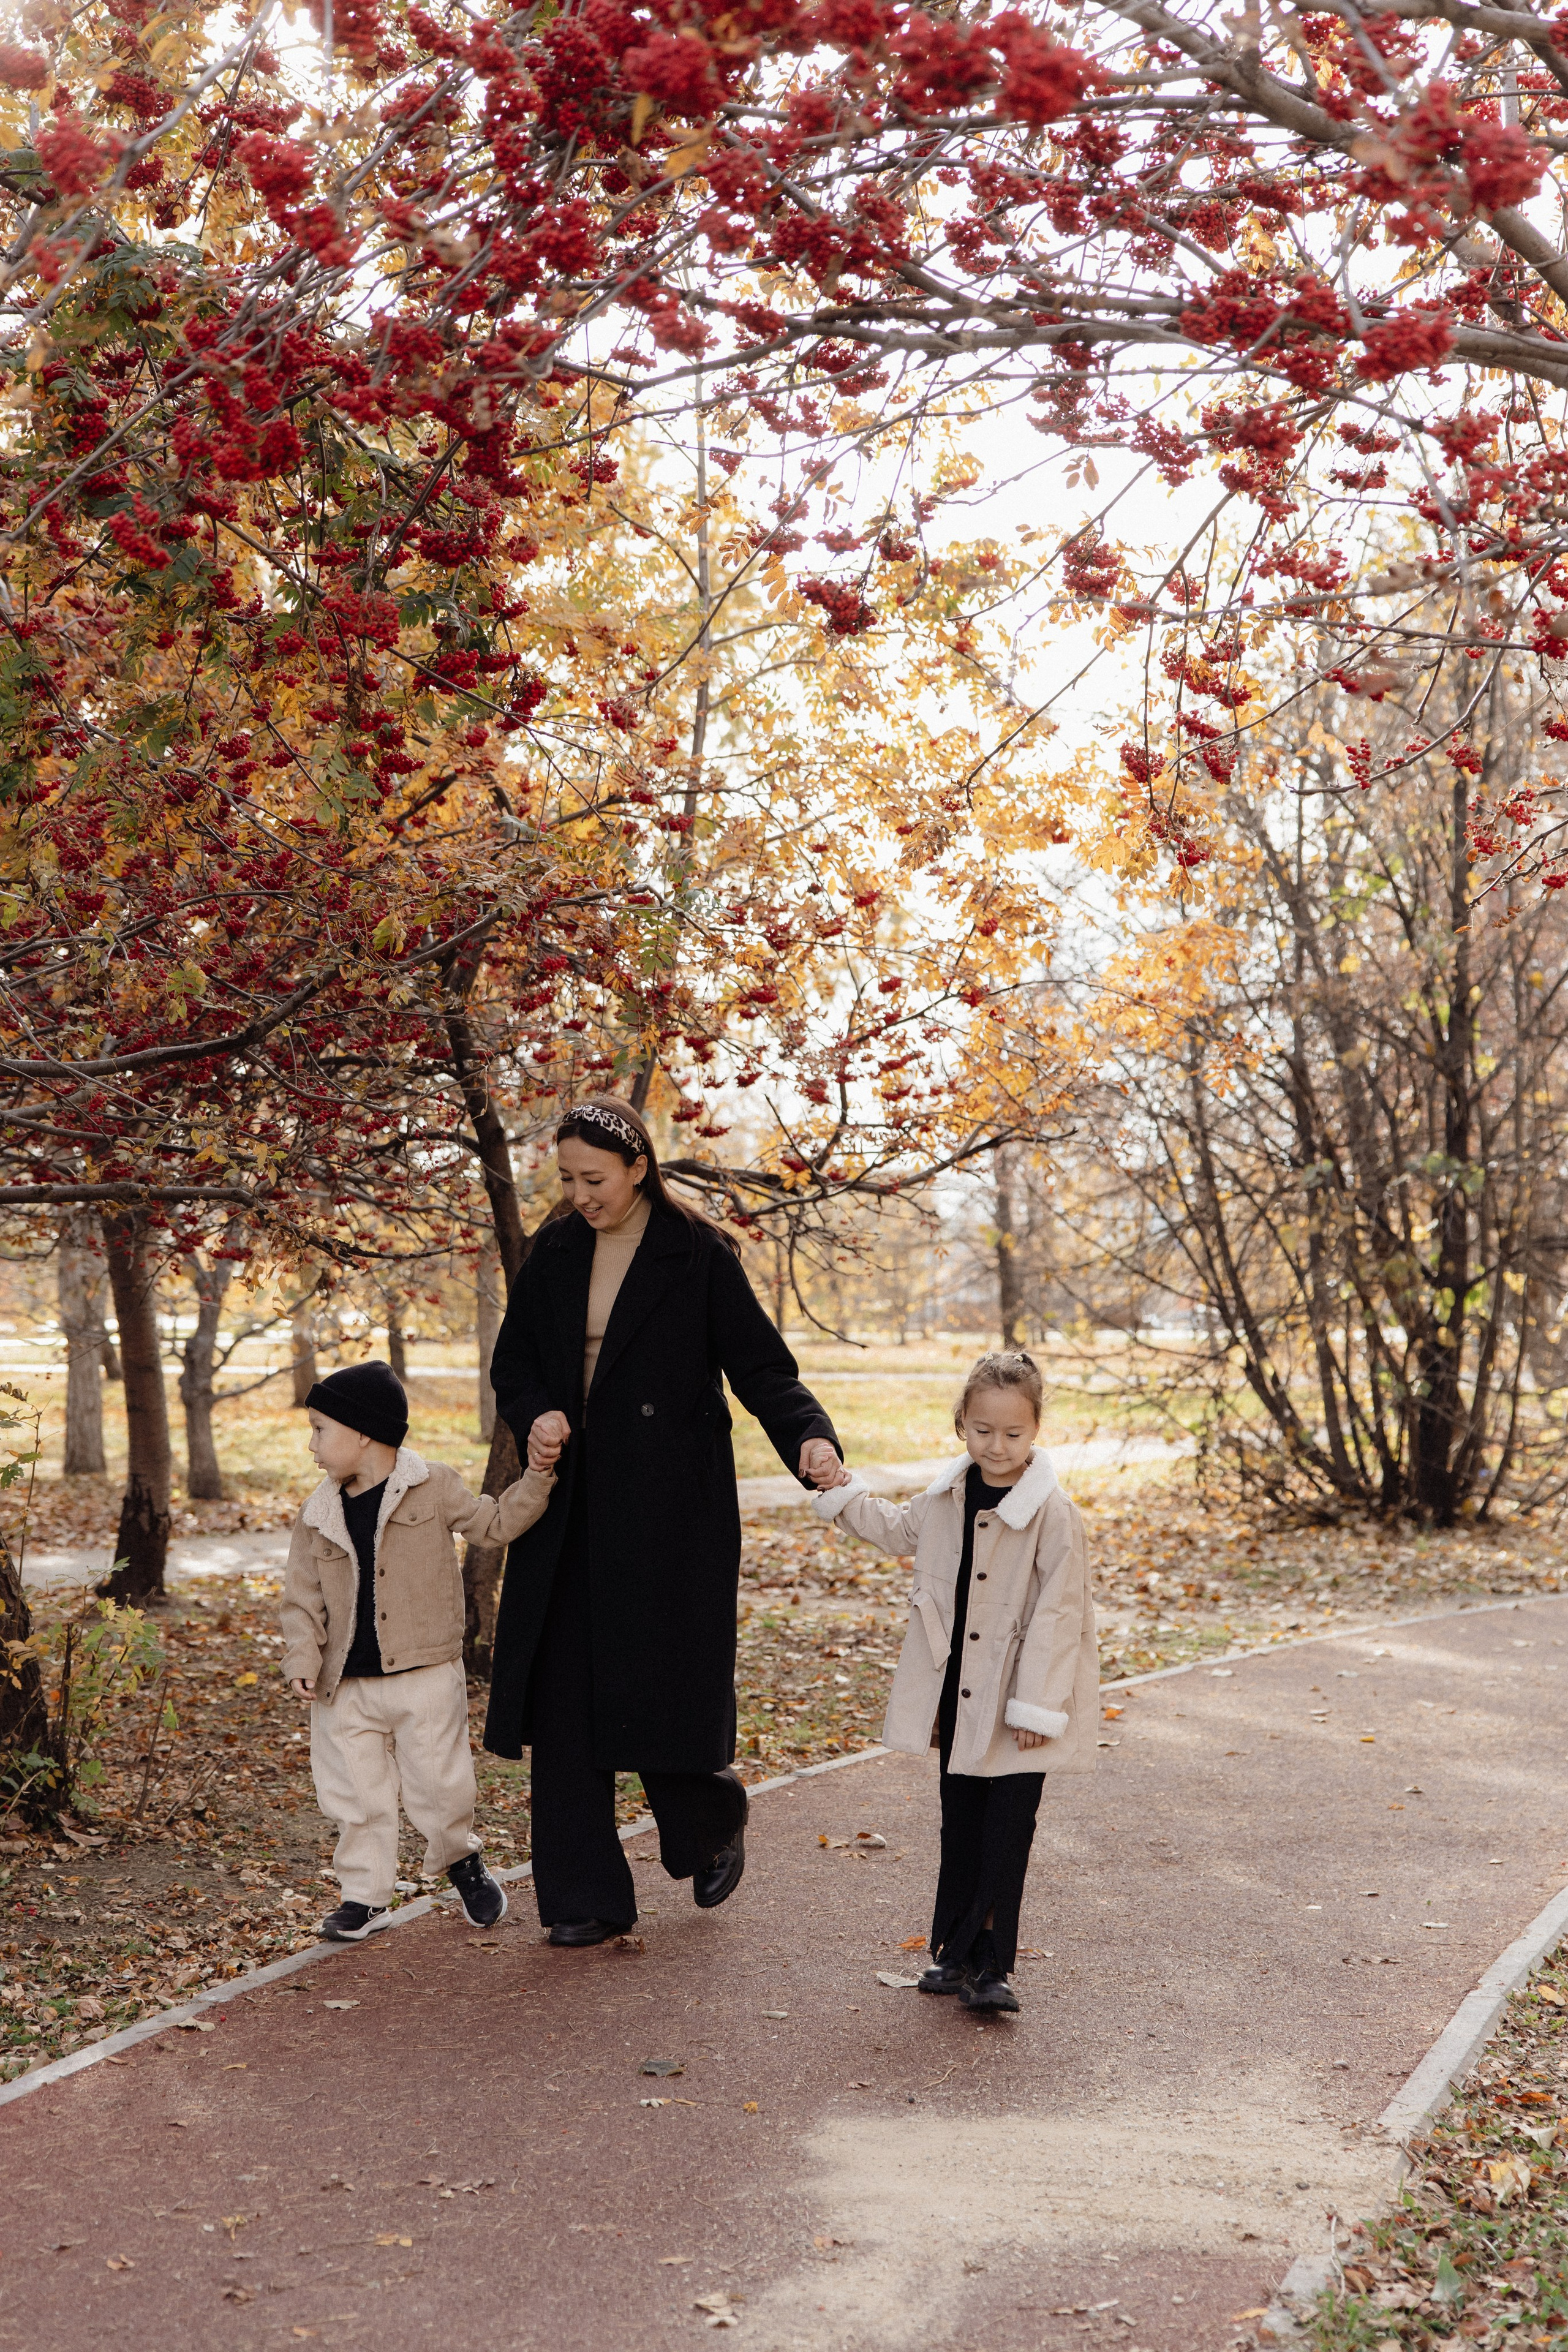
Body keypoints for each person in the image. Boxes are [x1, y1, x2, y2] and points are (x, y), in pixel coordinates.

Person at [484, 1095, 842, 1947]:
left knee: (654, 1683)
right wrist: (535, 1411)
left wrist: (811, 1439)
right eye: (568, 1178)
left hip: (668, 1505)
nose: (581, 1195)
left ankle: (709, 1823)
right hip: (568, 1501)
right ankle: (583, 1898)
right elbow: (517, 1364)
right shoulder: (556, 1250)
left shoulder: (697, 1254)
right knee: (567, 1696)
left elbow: (761, 1367)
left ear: (640, 1167)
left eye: (595, 1178)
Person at [812, 1350, 1096, 2011]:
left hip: (1018, 1702)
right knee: (961, 1823)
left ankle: (993, 1966)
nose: (996, 1446)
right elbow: (892, 1528)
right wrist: (838, 1487)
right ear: (961, 1425)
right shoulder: (947, 1496)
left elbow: (1061, 1618)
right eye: (982, 1430)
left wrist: (1037, 1707)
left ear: (1036, 1431)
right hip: (959, 1693)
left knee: (1007, 1829)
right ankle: (954, 1953)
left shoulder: (1053, 1515)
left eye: (1013, 1433)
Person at [281, 1359, 557, 1942]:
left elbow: (496, 1523)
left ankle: (461, 1859)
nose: (312, 1446)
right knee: (354, 1795)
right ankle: (364, 1895)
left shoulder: (433, 1485)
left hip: (425, 1673)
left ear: (363, 1432)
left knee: (440, 1787)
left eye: (319, 1429)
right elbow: (302, 1598)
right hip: (344, 1684)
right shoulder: (318, 1512)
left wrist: (537, 1476)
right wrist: (302, 1658)